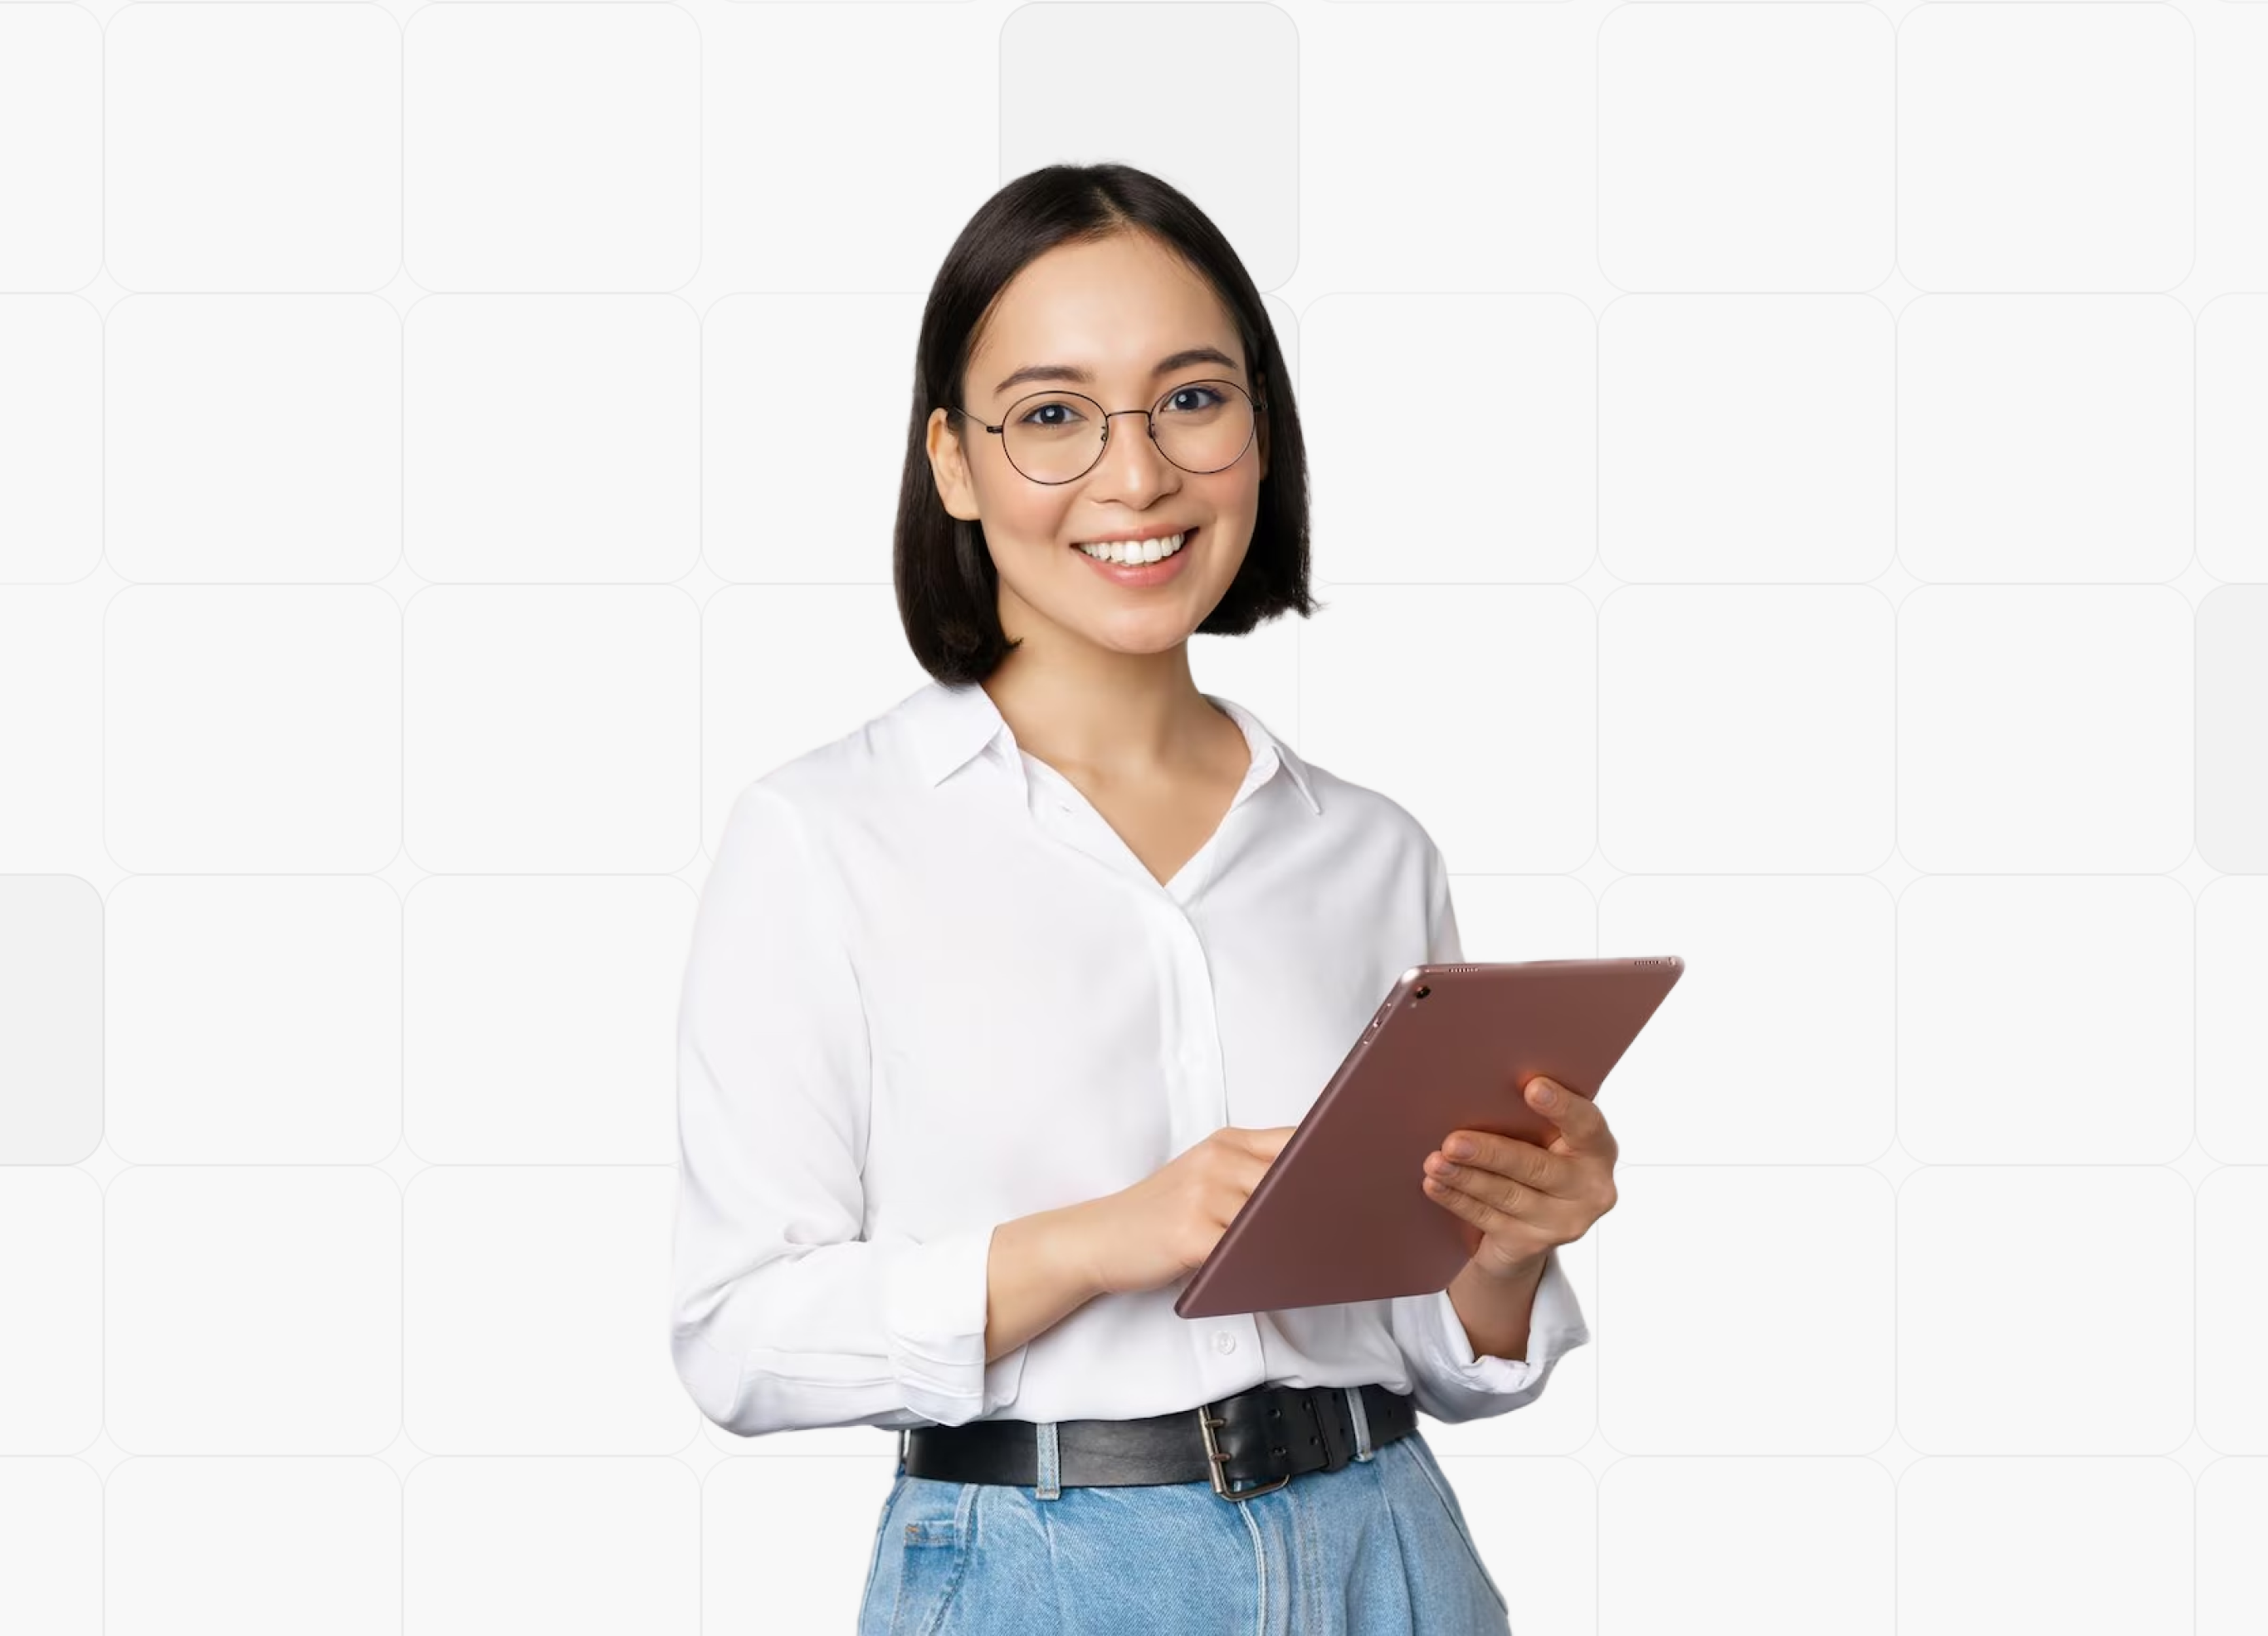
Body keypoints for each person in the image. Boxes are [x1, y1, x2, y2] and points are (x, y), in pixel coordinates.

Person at [667, 162, 1621, 1634]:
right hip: (1041, 1575)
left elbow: (1432, 1348)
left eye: (1192, 398)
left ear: (1259, 424)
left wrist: (1508, 1246)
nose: (1137, 476)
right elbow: (738, 1341)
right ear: (955, 461)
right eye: (1053, 415)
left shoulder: (1370, 851)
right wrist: (1105, 1238)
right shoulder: (824, 838)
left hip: (1393, 1549)